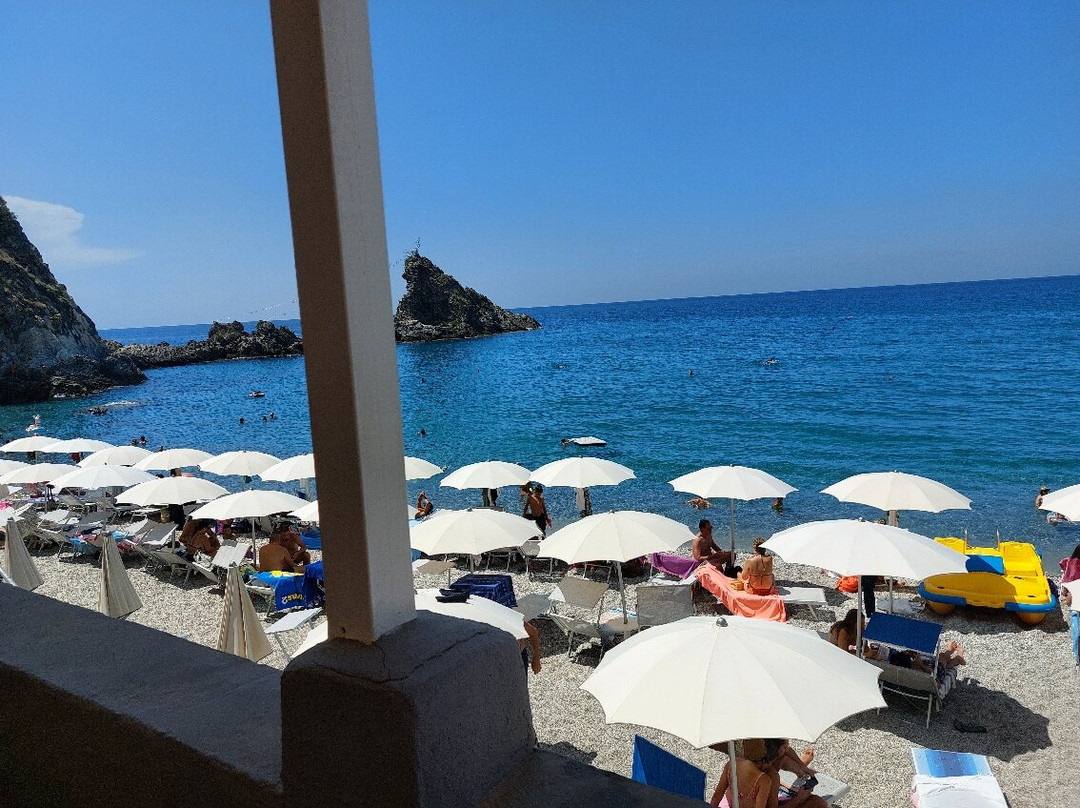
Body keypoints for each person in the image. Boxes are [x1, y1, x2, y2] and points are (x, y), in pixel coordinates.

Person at [709, 738, 774, 808]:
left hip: (729, 804)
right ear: (766, 761)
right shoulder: (764, 780)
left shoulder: (732, 764)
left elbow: (717, 795)